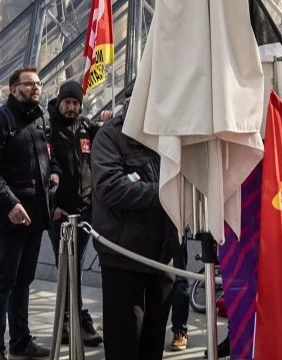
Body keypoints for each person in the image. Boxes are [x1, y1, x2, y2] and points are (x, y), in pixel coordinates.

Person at [91, 89, 180, 360]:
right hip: (124, 257)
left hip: (163, 256)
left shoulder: (171, 131)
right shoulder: (110, 136)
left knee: (153, 345)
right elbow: (110, 187)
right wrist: (165, 191)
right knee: (124, 346)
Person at [0, 67, 53, 360]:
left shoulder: (38, 121)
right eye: (29, 84)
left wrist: (53, 178)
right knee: (3, 282)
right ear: (13, 89)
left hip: (35, 217)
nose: (35, 88)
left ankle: (20, 340)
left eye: (38, 83)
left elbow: (46, 161)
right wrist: (10, 203)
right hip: (10, 218)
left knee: (24, 282)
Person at [46, 80, 102, 347]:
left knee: (74, 268)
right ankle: (76, 320)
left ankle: (71, 320)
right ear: (59, 101)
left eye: (76, 103)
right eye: (67, 102)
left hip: (85, 209)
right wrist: (51, 204)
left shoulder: (85, 127)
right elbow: (44, 168)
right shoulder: (47, 128)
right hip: (60, 211)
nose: (71, 107)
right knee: (69, 269)